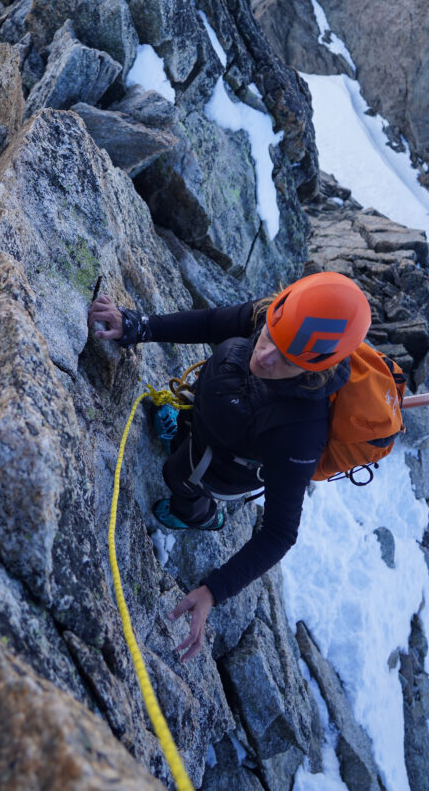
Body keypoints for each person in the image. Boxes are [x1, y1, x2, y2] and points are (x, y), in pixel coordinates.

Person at [88, 272, 372, 661]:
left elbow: (279, 533)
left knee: (177, 474)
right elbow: (209, 324)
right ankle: (183, 432)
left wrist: (213, 590)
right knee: (185, 436)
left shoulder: (301, 431)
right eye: (270, 335)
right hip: (212, 416)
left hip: (224, 469)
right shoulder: (272, 317)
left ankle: (201, 516)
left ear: (313, 371)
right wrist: (138, 326)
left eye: (286, 359)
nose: (264, 355)